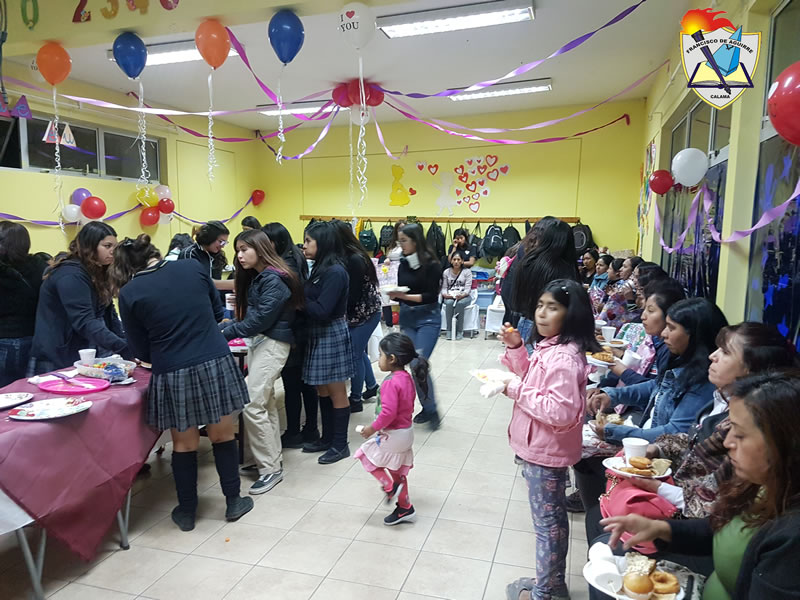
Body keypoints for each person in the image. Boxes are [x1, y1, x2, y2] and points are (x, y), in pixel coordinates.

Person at [600, 372, 800, 599]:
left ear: (785, 443)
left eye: (741, 435)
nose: (728, 442)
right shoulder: (761, 485)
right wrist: (661, 529)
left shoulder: (792, 539)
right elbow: (721, 529)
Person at [115, 235, 253, 531]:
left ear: (126, 267)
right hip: (214, 358)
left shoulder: (129, 292)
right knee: (222, 434)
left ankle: (187, 511)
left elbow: (139, 349)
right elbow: (216, 312)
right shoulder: (192, 268)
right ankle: (233, 501)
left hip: (172, 368)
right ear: (154, 253)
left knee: (184, 443)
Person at [499, 279, 602, 600]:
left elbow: (560, 411)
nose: (542, 314)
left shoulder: (564, 358)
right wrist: (516, 348)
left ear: (571, 314)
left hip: (546, 451)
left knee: (548, 526)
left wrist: (514, 389)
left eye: (552, 307)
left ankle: (546, 592)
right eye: (540, 305)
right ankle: (552, 583)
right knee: (551, 521)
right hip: (541, 447)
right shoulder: (553, 348)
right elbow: (532, 379)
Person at [578, 298, 728, 513]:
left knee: (582, 452)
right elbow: (655, 387)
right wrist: (612, 395)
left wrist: (613, 431)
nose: (664, 333)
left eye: (672, 328)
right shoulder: (683, 362)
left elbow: (674, 432)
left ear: (695, 334)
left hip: (666, 461)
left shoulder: (706, 382)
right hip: (653, 440)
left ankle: (604, 509)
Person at [220, 230, 303, 494]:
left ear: (260, 248)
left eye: (245, 249)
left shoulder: (273, 279)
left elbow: (260, 320)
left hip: (273, 343)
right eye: (237, 250)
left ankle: (270, 469)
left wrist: (227, 332)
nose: (240, 255)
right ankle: (270, 460)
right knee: (264, 403)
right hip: (262, 341)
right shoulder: (262, 276)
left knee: (252, 402)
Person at [28, 222, 128, 374]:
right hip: (55, 356)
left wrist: (124, 342)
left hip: (79, 350)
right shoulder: (70, 274)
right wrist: (122, 347)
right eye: (107, 246)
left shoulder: (97, 272)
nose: (113, 251)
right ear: (90, 246)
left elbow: (109, 312)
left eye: (115, 246)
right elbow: (85, 321)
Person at [355, 332, 425, 525]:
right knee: (397, 472)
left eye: (380, 355)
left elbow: (388, 413)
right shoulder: (406, 377)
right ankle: (405, 508)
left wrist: (371, 428)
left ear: (392, 358)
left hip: (393, 435)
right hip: (406, 433)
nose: (378, 359)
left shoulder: (391, 382)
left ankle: (389, 487)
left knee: (364, 454)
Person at [261, 222, 320, 449]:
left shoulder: (285, 265)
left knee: (294, 384)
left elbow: (288, 304)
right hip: (300, 328)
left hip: (294, 330)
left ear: (274, 242)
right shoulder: (293, 256)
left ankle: (296, 431)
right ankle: (308, 429)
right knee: (303, 384)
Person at [301, 221, 355, 464]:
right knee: (322, 388)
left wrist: (298, 299)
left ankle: (340, 444)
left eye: (308, 241)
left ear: (322, 243)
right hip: (318, 332)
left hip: (330, 331)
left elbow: (323, 310)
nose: (304, 246)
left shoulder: (335, 272)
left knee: (336, 391)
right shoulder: (320, 268)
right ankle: (327, 438)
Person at [387, 223, 442, 430]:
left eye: (404, 241)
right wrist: (395, 295)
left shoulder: (433, 264)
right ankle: (425, 407)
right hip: (408, 317)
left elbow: (430, 296)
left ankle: (431, 409)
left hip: (428, 317)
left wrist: (403, 296)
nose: (400, 245)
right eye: (399, 241)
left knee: (419, 363)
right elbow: (403, 289)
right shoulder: (403, 263)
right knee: (410, 362)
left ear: (416, 241)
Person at [332, 221, 381, 413]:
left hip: (365, 313)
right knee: (358, 352)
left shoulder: (354, 258)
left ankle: (355, 398)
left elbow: (352, 293)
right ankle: (371, 386)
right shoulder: (349, 255)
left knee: (354, 355)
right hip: (360, 313)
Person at [510, 217, 581, 346]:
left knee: (526, 358)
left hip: (528, 321)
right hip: (555, 326)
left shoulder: (529, 262)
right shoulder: (567, 269)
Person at [0, 222, 48, 386]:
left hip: (4, 337)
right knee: (27, 389)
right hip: (33, 337)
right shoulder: (39, 266)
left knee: (5, 392)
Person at [178, 220, 232, 291]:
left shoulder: (217, 254)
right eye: (221, 242)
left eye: (225, 243)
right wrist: (232, 284)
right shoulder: (190, 253)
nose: (222, 246)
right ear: (210, 238)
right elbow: (195, 282)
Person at [597, 257, 641, 328]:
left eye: (624, 267)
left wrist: (630, 300)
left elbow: (635, 314)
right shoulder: (621, 286)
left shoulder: (637, 292)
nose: (620, 269)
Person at [441, 253, 473, 340]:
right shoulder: (446, 272)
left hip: (464, 296)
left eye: (458, 260)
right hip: (450, 296)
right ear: (451, 261)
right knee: (449, 303)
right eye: (454, 259)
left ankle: (459, 331)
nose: (456, 262)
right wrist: (446, 295)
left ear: (462, 261)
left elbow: (468, 289)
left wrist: (462, 295)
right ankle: (449, 330)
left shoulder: (467, 272)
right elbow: (444, 288)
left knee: (460, 304)